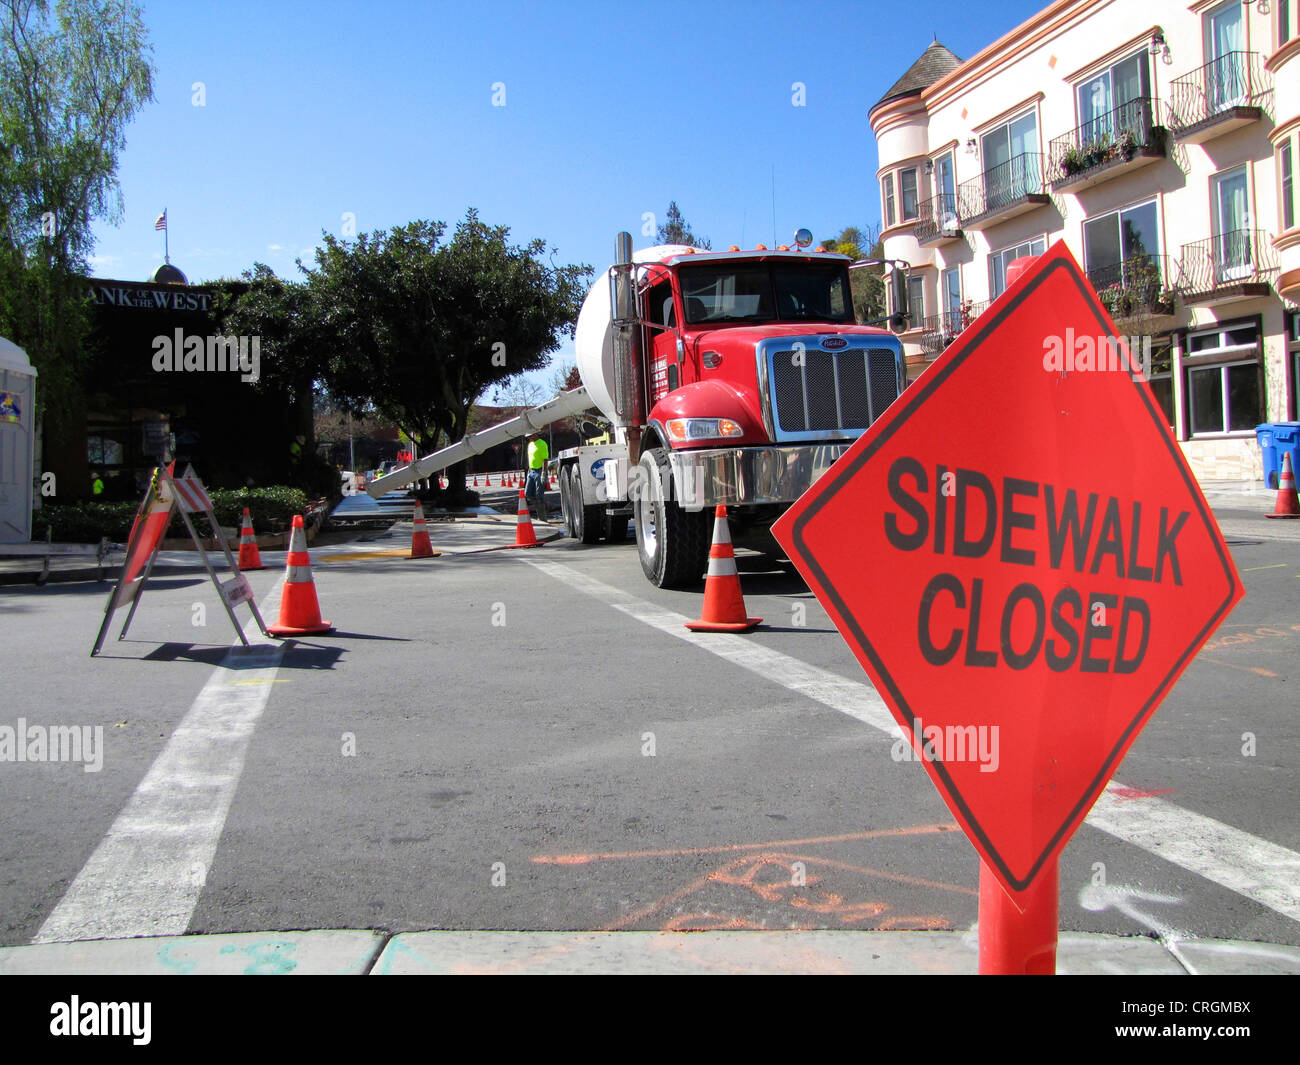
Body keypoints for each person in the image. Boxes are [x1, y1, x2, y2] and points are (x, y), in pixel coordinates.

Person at [525, 433, 549, 520]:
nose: (529, 438)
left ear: (535, 435)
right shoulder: (530, 445)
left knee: (539, 495)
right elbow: (530, 458)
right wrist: (529, 471)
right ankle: (540, 509)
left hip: (539, 471)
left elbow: (545, 459)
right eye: (528, 437)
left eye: (530, 436)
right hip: (531, 471)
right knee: (527, 493)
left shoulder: (542, 444)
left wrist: (543, 473)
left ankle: (542, 518)